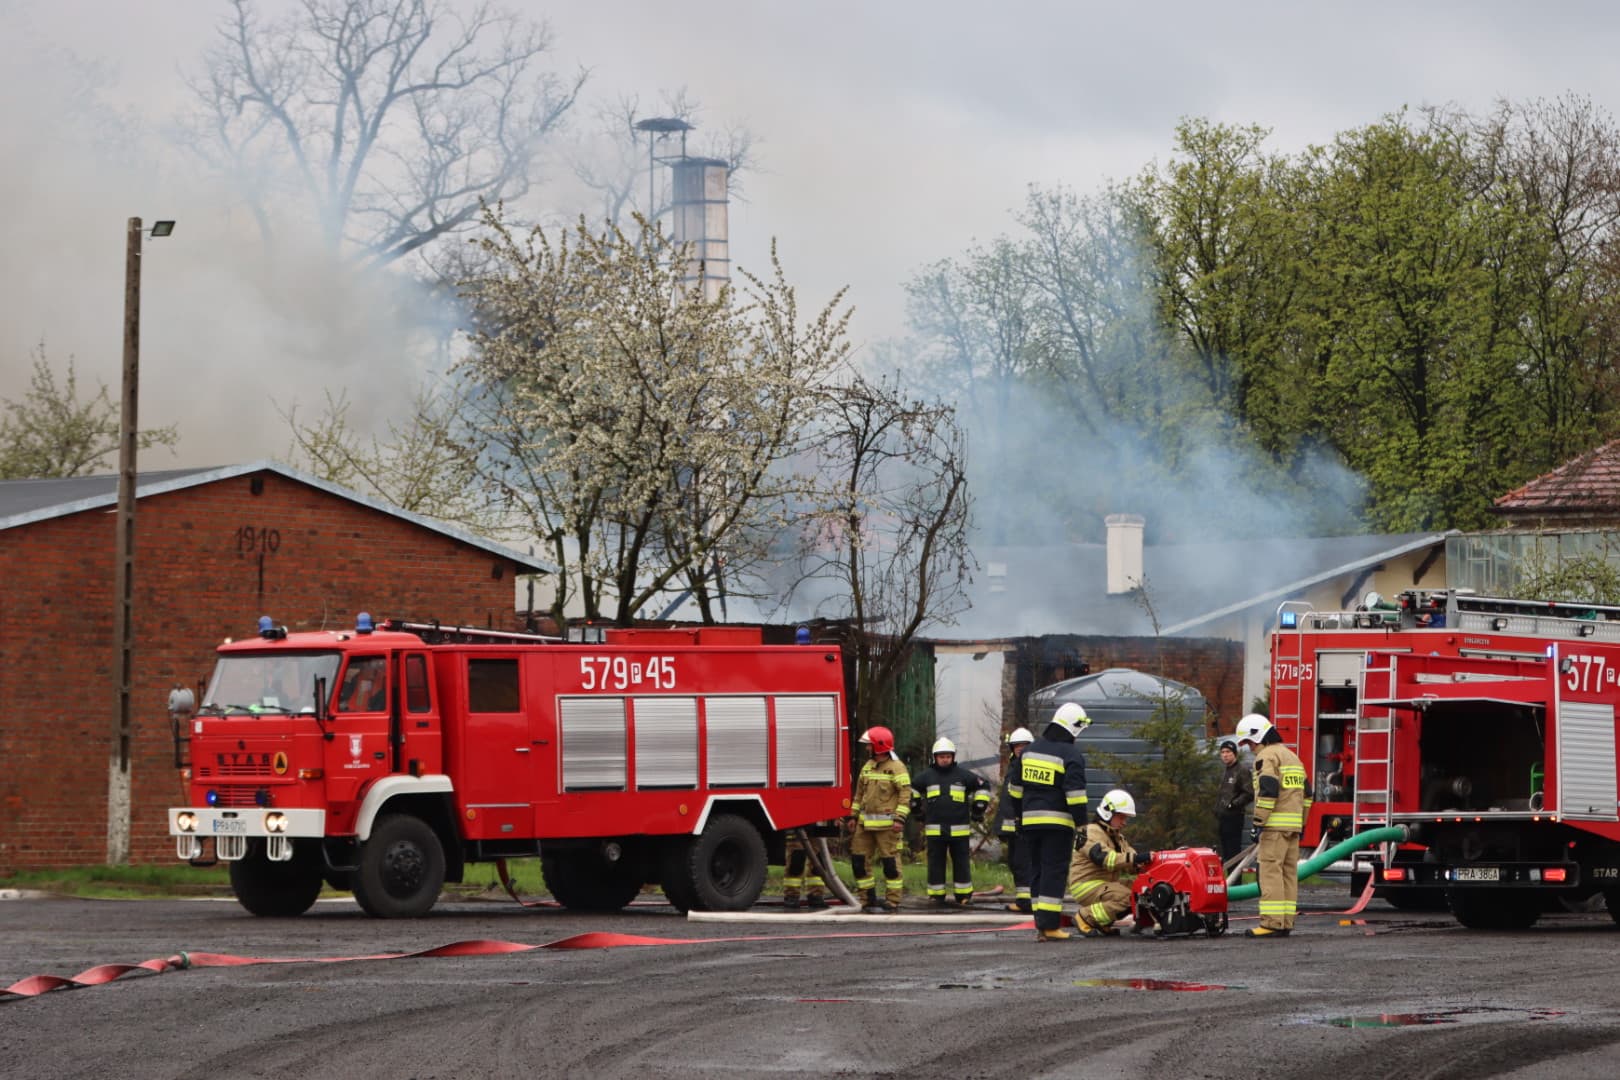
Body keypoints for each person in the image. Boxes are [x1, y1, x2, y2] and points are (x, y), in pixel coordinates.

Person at [1009, 702, 1091, 942]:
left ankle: (1041, 924)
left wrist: (1019, 817)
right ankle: (1051, 926)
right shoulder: (1071, 755)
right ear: (1073, 728)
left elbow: (1015, 790)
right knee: (1053, 872)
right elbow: (1075, 795)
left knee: (1037, 870)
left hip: (1030, 823)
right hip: (1058, 825)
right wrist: (1081, 826)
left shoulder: (1029, 751)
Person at [1235, 713, 1309, 938]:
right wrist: (1301, 823)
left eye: (1248, 743)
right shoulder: (1292, 757)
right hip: (1293, 828)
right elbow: (1309, 795)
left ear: (1257, 737)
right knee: (1288, 874)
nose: (1250, 749)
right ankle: (1285, 922)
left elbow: (1268, 790)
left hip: (1274, 827)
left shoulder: (1266, 757)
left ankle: (1271, 924)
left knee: (1270, 873)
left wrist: (1258, 823)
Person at [911, 737, 991, 906]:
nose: (945, 759)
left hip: (959, 831)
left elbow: (983, 786)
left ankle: (963, 896)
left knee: (961, 864)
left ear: (953, 757)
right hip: (935, 830)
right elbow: (912, 789)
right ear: (935, 757)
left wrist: (978, 808)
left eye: (948, 756)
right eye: (941, 756)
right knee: (935, 864)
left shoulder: (963, 775)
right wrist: (916, 809)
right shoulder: (926, 776)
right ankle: (936, 895)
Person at [1068, 788, 1154, 937]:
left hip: (1104, 882)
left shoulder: (1117, 837)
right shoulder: (1090, 832)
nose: (1124, 823)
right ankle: (1085, 917)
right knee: (1127, 897)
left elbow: (1130, 859)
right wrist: (1136, 859)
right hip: (1086, 884)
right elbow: (1105, 859)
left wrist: (1148, 864)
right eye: (1121, 817)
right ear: (1108, 812)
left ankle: (1102, 922)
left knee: (1141, 889)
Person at [849, 725, 911, 913]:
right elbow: (859, 794)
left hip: (888, 827)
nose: (867, 748)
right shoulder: (868, 766)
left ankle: (892, 901)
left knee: (890, 865)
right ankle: (867, 900)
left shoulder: (897, 768)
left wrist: (899, 819)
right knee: (859, 862)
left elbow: (905, 794)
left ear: (879, 746)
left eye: (870, 745)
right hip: (864, 825)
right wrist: (853, 816)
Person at [994, 727, 1036, 913]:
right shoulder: (1013, 766)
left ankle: (1026, 901)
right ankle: (1023, 899)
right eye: (1017, 746)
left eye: (1024, 746)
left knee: (1023, 861)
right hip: (1012, 824)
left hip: (1025, 824)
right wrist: (1001, 826)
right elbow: (1007, 799)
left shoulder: (1030, 767)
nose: (1020, 749)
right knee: (1015, 861)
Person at [1215, 738, 1254, 864]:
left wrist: (1233, 804)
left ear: (1235, 754)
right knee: (1225, 852)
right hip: (1223, 817)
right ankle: (1228, 881)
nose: (1225, 755)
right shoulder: (1226, 771)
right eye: (1223, 752)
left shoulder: (1241, 770)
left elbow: (1249, 793)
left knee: (1234, 852)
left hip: (1234, 817)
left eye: (1228, 752)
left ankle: (1236, 882)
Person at [781, 831, 829, 911]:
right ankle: (791, 896)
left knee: (819, 858)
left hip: (819, 821)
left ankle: (816, 895)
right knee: (796, 857)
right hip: (797, 820)